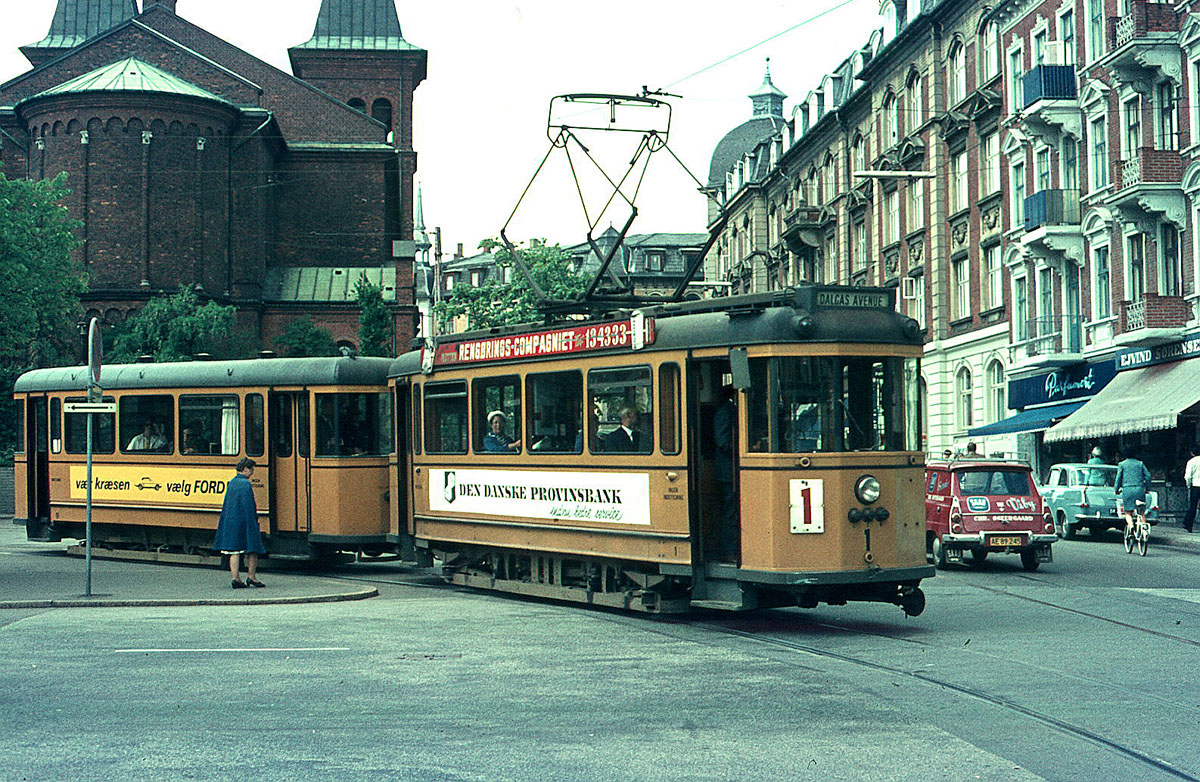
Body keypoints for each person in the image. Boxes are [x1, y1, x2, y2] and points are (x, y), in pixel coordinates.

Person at [212, 458, 266, 588]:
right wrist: (254, 519)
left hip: (231, 520)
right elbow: (249, 505)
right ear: (246, 469)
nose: (252, 473)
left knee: (234, 550)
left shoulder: (232, 483)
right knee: (253, 549)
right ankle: (251, 577)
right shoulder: (245, 484)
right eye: (251, 470)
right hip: (245, 520)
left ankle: (235, 578)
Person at [713, 385, 738, 558]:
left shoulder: (731, 410)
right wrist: (741, 450)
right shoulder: (724, 412)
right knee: (730, 512)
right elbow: (722, 441)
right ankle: (729, 551)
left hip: (733, 471)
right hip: (728, 472)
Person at [1114, 447, 1152, 537]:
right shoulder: (1140, 463)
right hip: (1139, 489)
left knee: (1128, 512)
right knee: (1141, 511)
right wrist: (1147, 488)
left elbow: (1118, 478)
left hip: (1128, 490)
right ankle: (1144, 527)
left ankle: (1131, 526)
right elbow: (1148, 476)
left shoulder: (1122, 464)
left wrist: (1116, 489)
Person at [1182, 444, 1200, 533]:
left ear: (1192, 453)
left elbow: (1188, 476)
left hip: (1195, 486)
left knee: (1193, 506)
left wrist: (1188, 485)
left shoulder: (1191, 462)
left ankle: (1188, 524)